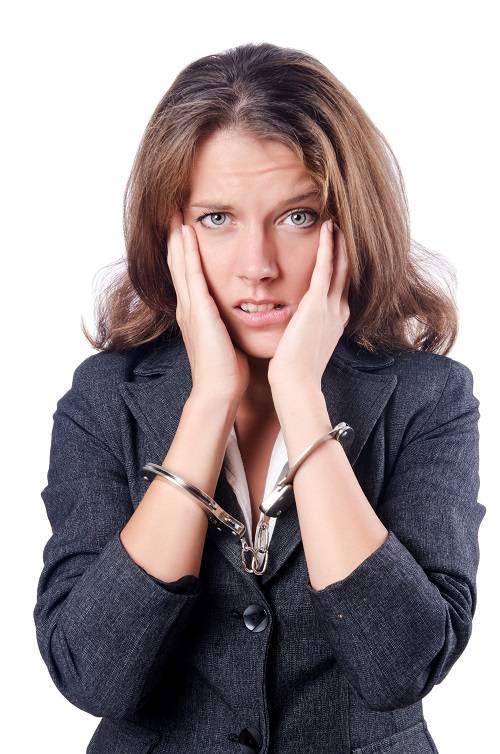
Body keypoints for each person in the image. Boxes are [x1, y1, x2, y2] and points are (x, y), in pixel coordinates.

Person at [33, 42, 485, 754]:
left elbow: (402, 666)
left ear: (350, 223)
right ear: (169, 230)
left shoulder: (429, 398)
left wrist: (301, 396)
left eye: (297, 216)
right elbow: (94, 675)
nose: (258, 267)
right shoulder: (105, 399)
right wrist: (208, 402)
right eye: (218, 218)